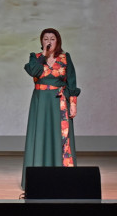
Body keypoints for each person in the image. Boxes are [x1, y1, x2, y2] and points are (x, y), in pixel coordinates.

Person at [21, 28, 81, 189]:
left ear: (58, 41)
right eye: (45, 39)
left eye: (52, 39)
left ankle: (64, 178)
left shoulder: (65, 58)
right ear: (41, 42)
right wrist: (44, 56)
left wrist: (73, 104)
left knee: (61, 137)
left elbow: (72, 82)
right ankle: (37, 180)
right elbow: (33, 71)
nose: (49, 41)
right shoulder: (35, 58)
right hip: (40, 103)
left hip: (59, 103)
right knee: (40, 136)